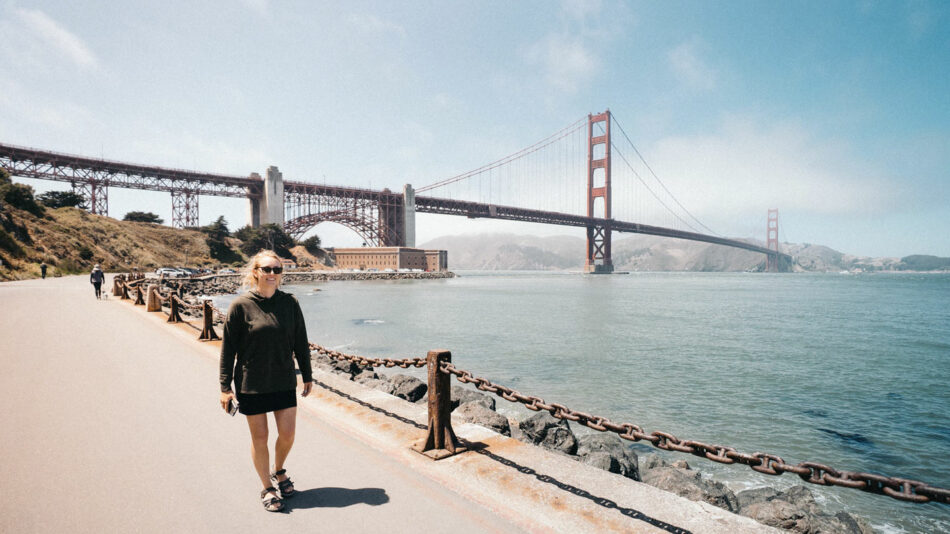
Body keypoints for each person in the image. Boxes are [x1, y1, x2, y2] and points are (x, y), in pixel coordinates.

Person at [219, 250, 313, 513]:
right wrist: (225, 388)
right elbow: (228, 350)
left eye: (277, 270)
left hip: (283, 379)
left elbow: (300, 342)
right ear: (256, 271)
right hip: (252, 382)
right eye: (267, 269)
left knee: (288, 434)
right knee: (260, 437)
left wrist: (307, 374)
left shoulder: (290, 303)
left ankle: (278, 469)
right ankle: (267, 487)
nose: (272, 274)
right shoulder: (240, 306)